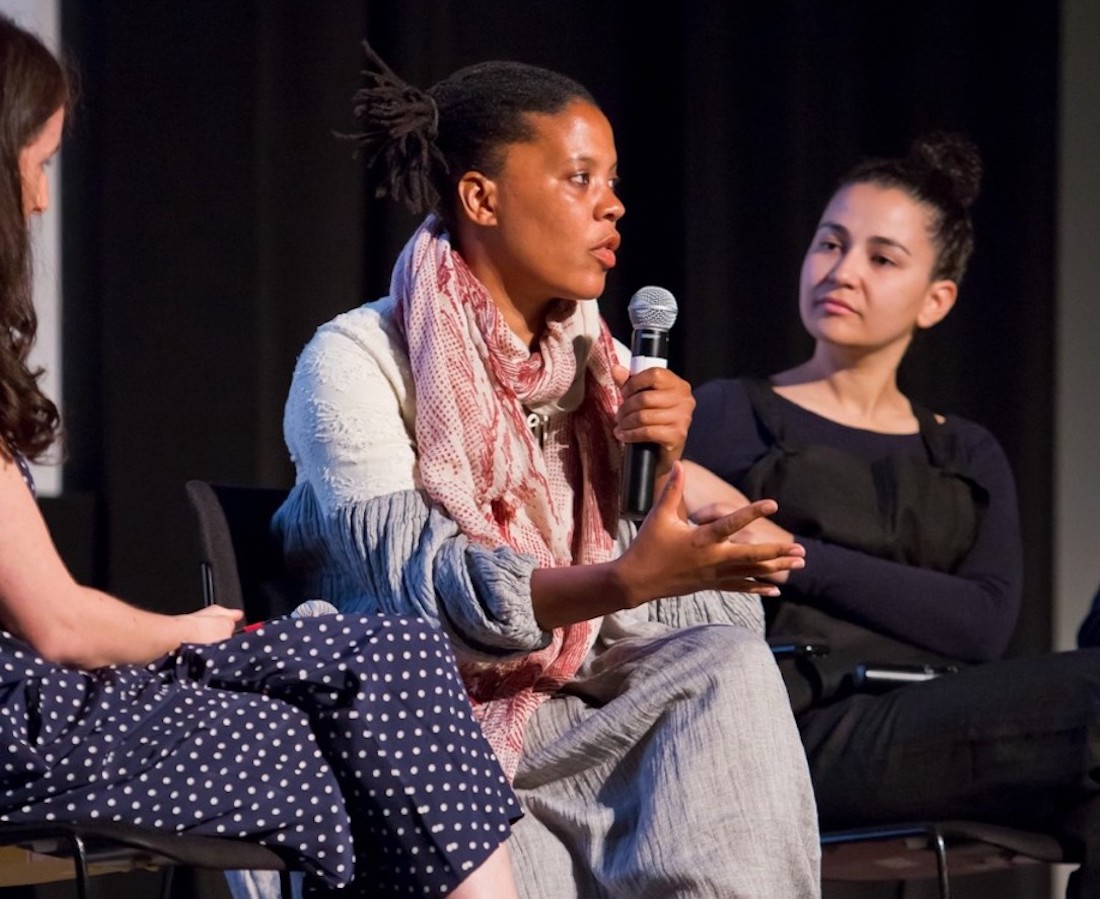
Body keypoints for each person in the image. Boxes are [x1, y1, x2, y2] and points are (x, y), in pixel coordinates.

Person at [272, 41, 821, 899]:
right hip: (430, 727)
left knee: (726, 663)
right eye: (580, 179)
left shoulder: (597, 363)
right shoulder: (356, 361)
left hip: (573, 699)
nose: (614, 208)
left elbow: (737, 577)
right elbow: (417, 597)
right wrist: (622, 579)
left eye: (611, 182)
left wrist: (666, 470)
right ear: (481, 197)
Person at [0, 14, 522, 899]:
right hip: (26, 730)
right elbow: (62, 626)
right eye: (38, 164)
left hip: (33, 713)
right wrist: (183, 632)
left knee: (361, 686)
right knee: (368, 683)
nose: (43, 198)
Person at [681, 132, 1100, 897]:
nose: (842, 272)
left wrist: (791, 548)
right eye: (830, 244)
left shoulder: (965, 452)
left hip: (935, 723)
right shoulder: (728, 414)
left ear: (936, 298)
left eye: (881, 257)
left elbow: (980, 623)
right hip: (793, 728)